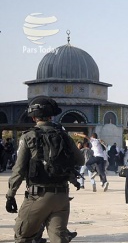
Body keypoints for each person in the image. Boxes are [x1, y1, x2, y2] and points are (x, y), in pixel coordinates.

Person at [5, 96, 84, 243]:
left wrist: (11, 194)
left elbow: (19, 169)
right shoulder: (63, 136)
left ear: (34, 117)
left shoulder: (29, 136)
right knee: (58, 239)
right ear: (51, 115)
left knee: (23, 236)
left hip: (38, 196)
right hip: (62, 197)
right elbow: (80, 160)